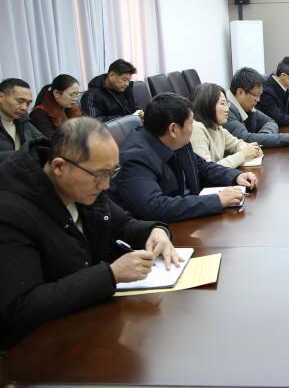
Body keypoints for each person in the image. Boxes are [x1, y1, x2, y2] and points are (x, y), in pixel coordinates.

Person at [0, 117, 181, 349]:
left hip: (90, 323)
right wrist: (111, 275)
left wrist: (155, 231)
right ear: (59, 167)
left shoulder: (83, 185)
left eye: (111, 173)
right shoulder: (11, 211)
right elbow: (20, 308)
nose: (105, 185)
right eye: (99, 175)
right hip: (41, 348)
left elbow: (123, 224)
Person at [110, 93, 258, 222]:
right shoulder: (136, 157)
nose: (194, 127)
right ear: (173, 129)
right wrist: (216, 200)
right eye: (191, 123)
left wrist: (235, 176)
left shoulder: (177, 141)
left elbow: (201, 166)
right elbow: (154, 207)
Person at [223, 67, 289, 148]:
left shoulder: (247, 106)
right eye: (256, 95)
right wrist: (287, 139)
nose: (258, 100)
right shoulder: (226, 110)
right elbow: (245, 139)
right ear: (240, 92)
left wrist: (264, 136)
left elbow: (271, 122)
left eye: (260, 95)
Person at [190, 83, 262, 169]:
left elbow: (236, 144)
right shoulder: (196, 128)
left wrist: (251, 149)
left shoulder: (218, 128)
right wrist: (242, 155)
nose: (227, 109)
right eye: (222, 103)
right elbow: (207, 170)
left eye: (227, 104)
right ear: (207, 105)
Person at [0, 78, 42, 162]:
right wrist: (22, 155)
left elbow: (42, 141)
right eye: (20, 101)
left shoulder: (23, 119)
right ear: (1, 97)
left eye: (28, 103)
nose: (24, 108)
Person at [30, 74, 82, 139]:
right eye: (72, 94)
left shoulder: (70, 108)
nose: (75, 98)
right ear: (56, 93)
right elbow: (51, 141)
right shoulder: (39, 114)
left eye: (76, 94)